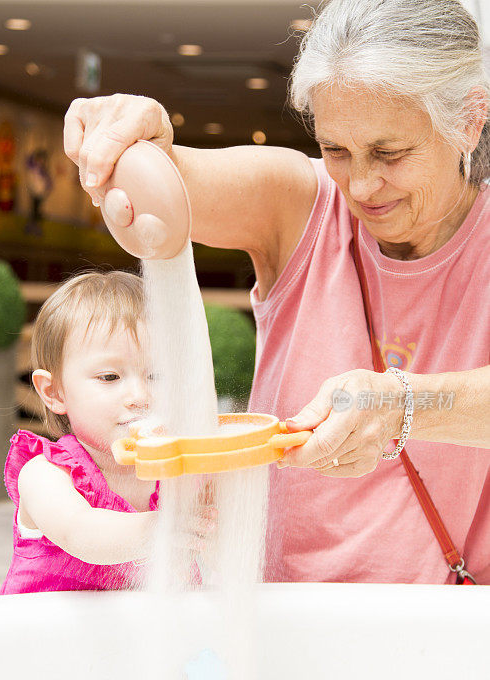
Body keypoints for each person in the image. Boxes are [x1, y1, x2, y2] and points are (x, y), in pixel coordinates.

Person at [63, 0, 490, 584]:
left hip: (448, 624)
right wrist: (133, 142)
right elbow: (175, 183)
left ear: (470, 119)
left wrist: (401, 403)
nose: (361, 185)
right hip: (279, 612)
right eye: (337, 149)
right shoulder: (298, 204)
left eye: (391, 153)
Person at [0, 271, 208, 594]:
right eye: (110, 377)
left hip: (137, 638)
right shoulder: (45, 474)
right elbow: (79, 533)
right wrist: (161, 529)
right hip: (45, 637)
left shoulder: (176, 474)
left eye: (156, 374)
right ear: (54, 392)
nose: (140, 397)